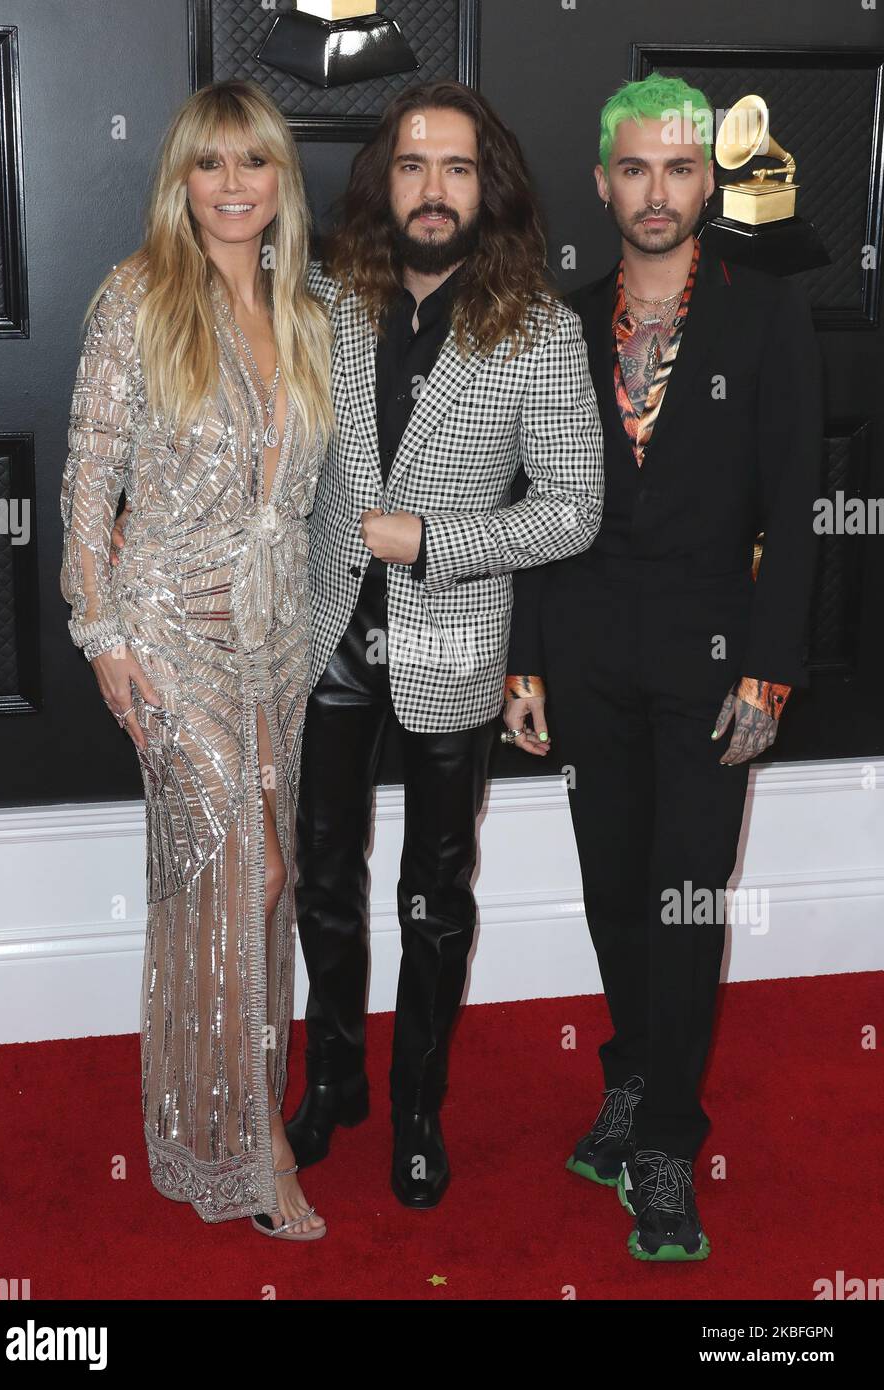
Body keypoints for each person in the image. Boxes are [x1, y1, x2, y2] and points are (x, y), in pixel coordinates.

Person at [503, 72, 823, 1260]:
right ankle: (633, 1068)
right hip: (585, 650)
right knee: (611, 889)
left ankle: (665, 1144)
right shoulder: (558, 324)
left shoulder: (765, 312)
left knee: (686, 896)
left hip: (712, 659)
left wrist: (771, 662)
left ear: (707, 180)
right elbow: (531, 500)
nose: (654, 190)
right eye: (632, 168)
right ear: (602, 180)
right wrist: (523, 659)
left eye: (678, 168)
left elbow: (796, 506)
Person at [286, 79, 604, 1208]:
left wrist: (434, 539)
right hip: (321, 633)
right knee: (321, 878)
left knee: (436, 889)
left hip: (451, 643)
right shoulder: (320, 294)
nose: (433, 189)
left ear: (489, 186)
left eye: (457, 169)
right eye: (414, 166)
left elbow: (573, 507)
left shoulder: (541, 327)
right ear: (386, 181)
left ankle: (416, 1106)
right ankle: (333, 1078)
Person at [60, 80, 333, 1238]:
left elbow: (318, 494)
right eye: (211, 164)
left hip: (274, 639)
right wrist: (101, 634)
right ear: (181, 179)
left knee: (257, 901)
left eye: (254, 163)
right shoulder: (137, 297)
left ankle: (218, 1112)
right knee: (248, 875)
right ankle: (251, 1140)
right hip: (168, 635)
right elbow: (88, 480)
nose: (233, 186)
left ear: (280, 180)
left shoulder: (308, 308)